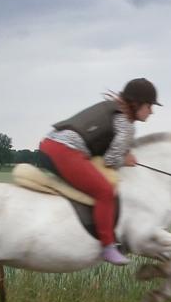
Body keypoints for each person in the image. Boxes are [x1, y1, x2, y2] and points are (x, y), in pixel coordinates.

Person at [38, 78, 161, 265]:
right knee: (104, 191)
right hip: (64, 151)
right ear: (136, 104)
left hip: (49, 144)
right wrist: (125, 160)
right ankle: (108, 247)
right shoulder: (127, 126)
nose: (151, 111)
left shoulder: (110, 108)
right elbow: (110, 161)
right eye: (149, 105)